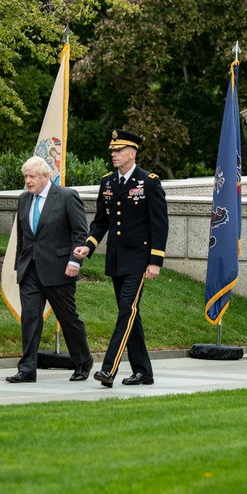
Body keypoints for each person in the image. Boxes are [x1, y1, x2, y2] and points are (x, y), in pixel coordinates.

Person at [73, 130, 169, 388]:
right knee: (130, 315)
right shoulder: (107, 182)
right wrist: (88, 246)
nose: (113, 154)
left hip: (139, 259)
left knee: (127, 310)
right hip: (117, 259)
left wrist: (155, 261)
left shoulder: (149, 181)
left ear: (132, 153)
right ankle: (143, 371)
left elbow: (160, 225)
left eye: (118, 150)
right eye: (112, 151)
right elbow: (101, 221)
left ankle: (108, 369)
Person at [7, 156, 93, 384]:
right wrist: (19, 265)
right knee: (30, 319)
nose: (27, 181)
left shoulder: (66, 196)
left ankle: (83, 362)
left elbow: (79, 232)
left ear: (46, 177)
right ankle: (27, 370)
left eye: (32, 176)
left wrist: (75, 262)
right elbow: (22, 237)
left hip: (59, 270)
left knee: (68, 319)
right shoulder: (24, 199)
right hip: (30, 271)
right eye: (25, 176)